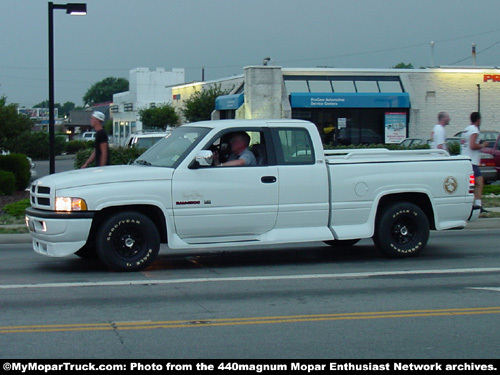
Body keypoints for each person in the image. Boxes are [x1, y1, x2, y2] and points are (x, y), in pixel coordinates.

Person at [460, 112, 488, 213]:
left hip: (465, 159)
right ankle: (477, 206)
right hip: (472, 161)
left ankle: (472, 205)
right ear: (478, 120)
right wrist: (482, 145)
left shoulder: (466, 129)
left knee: (471, 184)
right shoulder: (474, 130)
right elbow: (472, 145)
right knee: (479, 182)